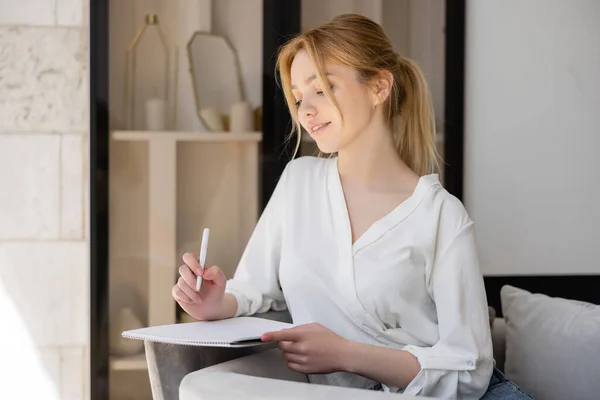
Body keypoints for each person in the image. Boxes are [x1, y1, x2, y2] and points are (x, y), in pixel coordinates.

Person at [172, 14, 533, 399]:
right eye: (298, 97)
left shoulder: (441, 215)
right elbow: (255, 289)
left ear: (379, 86)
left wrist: (347, 354)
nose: (306, 110)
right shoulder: (299, 183)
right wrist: (216, 302)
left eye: (323, 89)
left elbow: (470, 366)